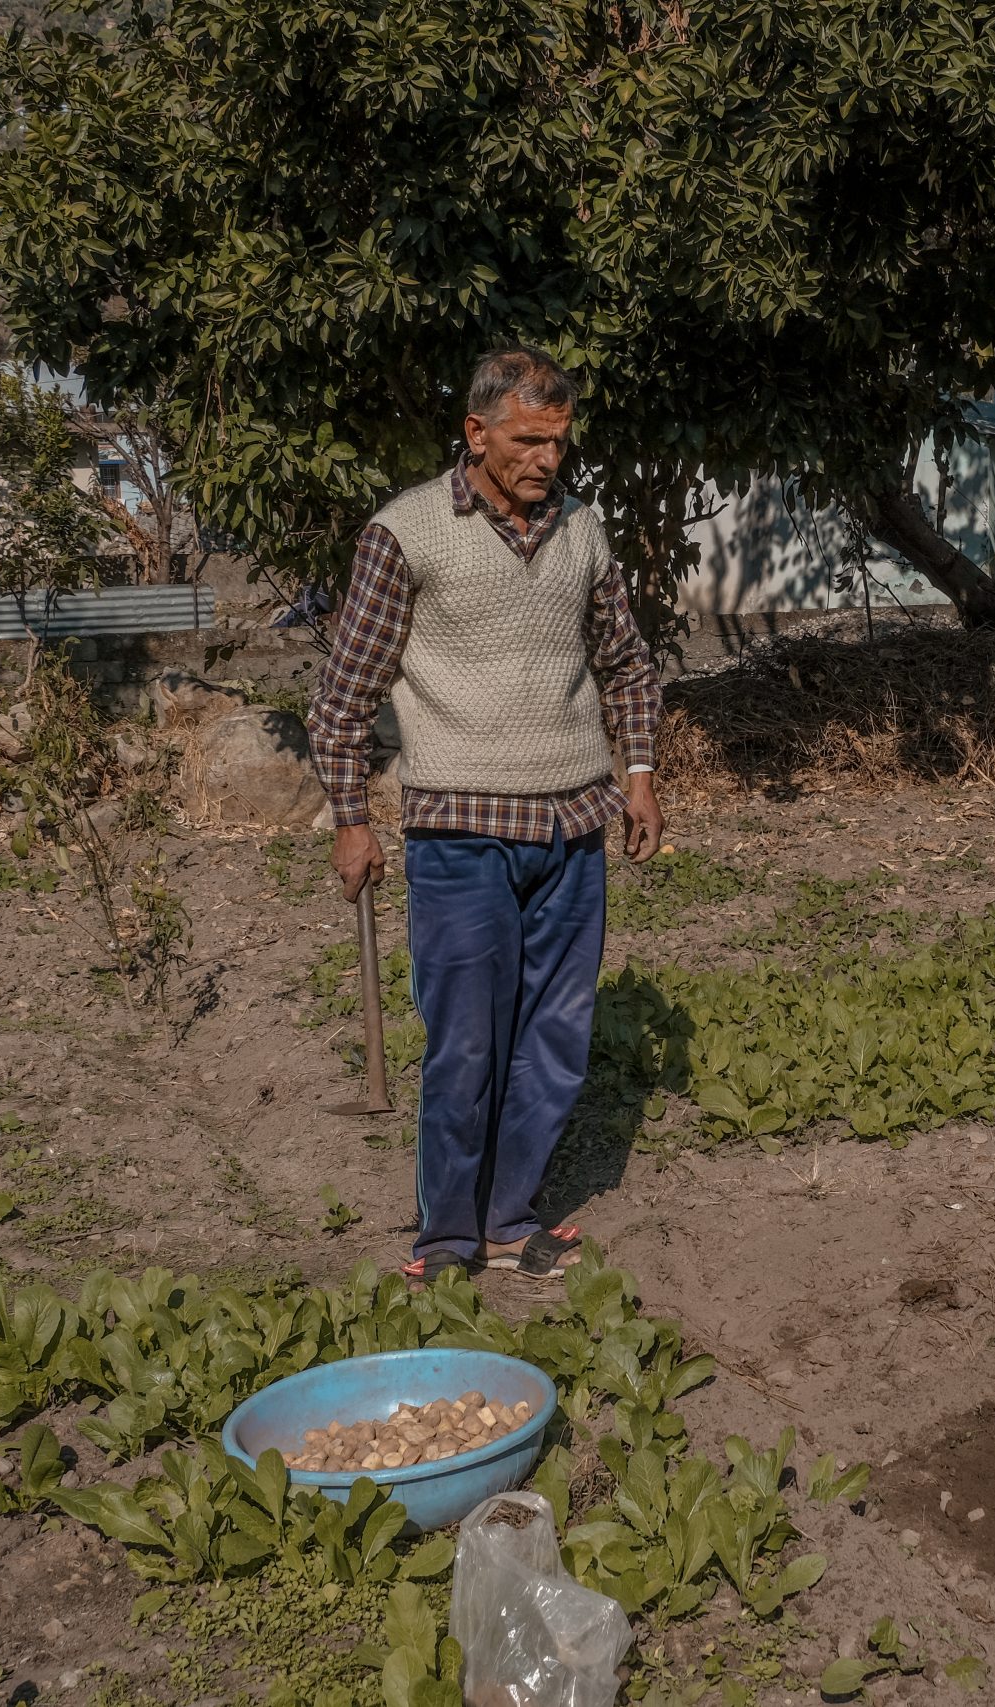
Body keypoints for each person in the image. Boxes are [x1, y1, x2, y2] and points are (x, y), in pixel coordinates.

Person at [309, 346, 665, 1283]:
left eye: (557, 441)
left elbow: (626, 662)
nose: (545, 459)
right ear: (475, 433)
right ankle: (444, 1241)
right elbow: (343, 697)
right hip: (460, 834)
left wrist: (637, 772)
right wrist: (353, 817)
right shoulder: (407, 534)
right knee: (466, 1039)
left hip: (570, 831)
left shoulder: (582, 531)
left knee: (556, 1033)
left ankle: (510, 1221)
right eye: (525, 440)